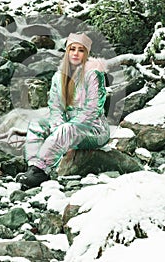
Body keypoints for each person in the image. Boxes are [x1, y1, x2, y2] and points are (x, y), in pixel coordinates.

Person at [17, 32, 110, 190]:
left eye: (80, 50)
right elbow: (55, 107)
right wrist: (56, 125)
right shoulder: (58, 77)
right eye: (72, 49)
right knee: (36, 124)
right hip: (67, 126)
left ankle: (41, 170)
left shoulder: (94, 74)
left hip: (93, 128)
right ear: (67, 52)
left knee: (68, 129)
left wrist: (63, 129)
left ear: (86, 53)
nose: (75, 53)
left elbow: (92, 110)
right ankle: (33, 167)